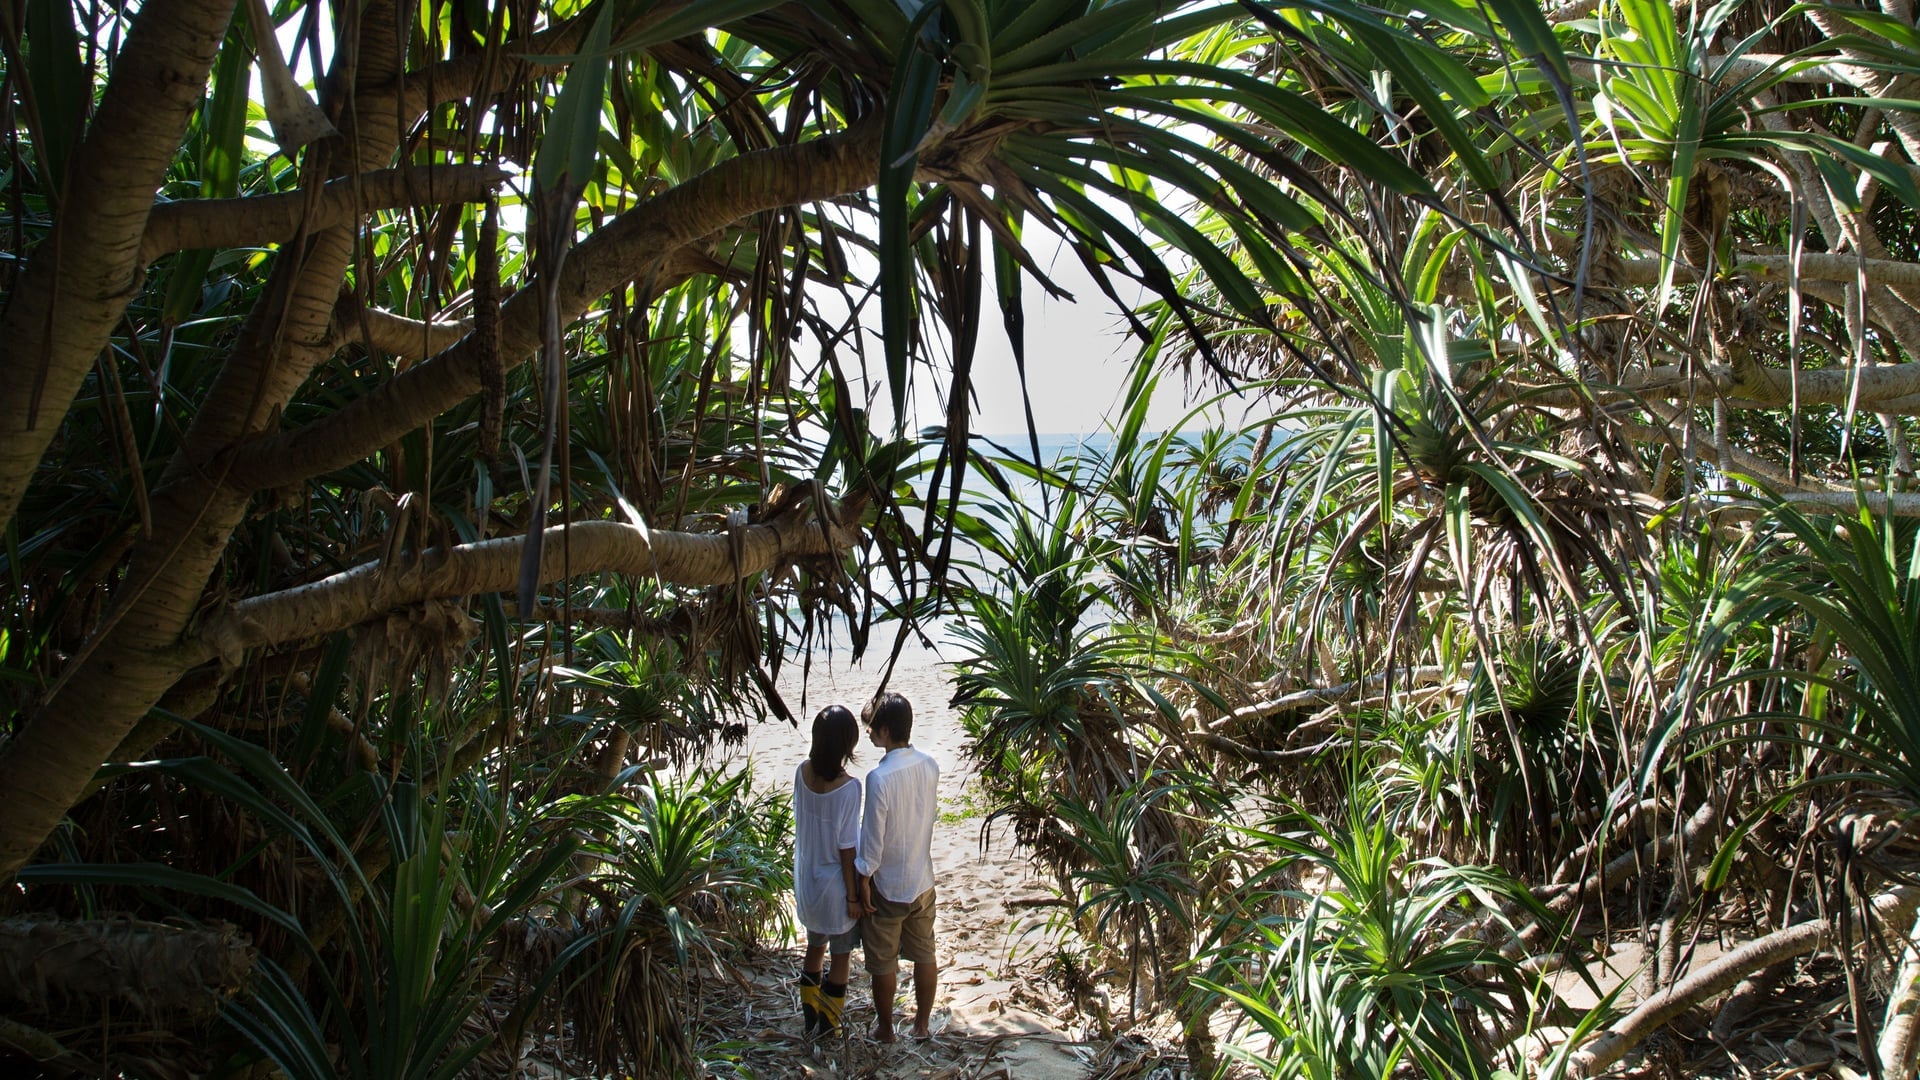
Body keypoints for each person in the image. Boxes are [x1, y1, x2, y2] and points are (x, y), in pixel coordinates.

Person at [855, 692, 940, 1042]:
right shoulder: (929, 764)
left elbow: (873, 840)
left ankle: (886, 1028)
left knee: (883, 961)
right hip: (921, 879)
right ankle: (921, 1024)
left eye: (873, 728)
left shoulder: (880, 777)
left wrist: (863, 878)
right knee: (924, 953)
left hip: (888, 884)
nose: (870, 734)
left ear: (885, 732)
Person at [792, 704, 864, 1039]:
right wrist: (853, 896)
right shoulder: (849, 788)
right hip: (835, 887)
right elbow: (847, 849)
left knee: (814, 949)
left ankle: (809, 1018)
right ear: (847, 745)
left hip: (808, 881)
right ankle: (829, 1025)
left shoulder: (801, 773)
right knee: (841, 955)